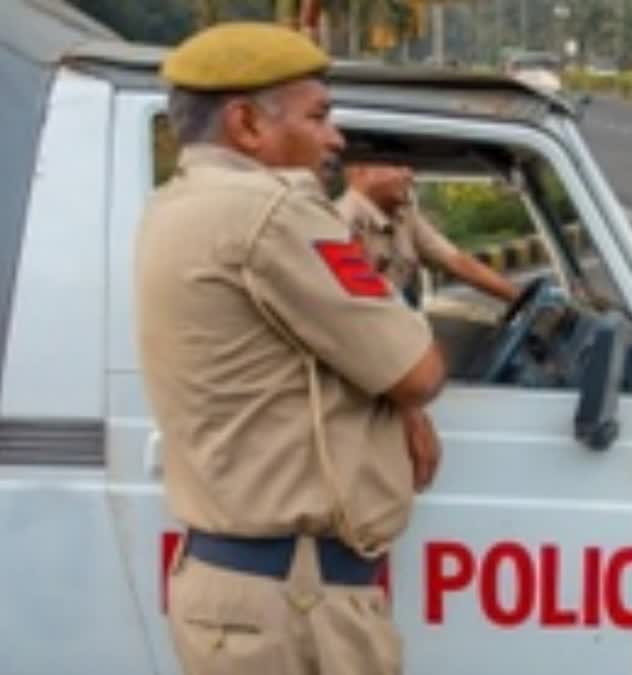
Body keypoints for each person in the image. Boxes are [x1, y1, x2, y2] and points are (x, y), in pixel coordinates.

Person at [136, 22, 446, 674]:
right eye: (319, 115)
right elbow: (416, 370)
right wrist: (410, 399)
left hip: (238, 590)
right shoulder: (273, 213)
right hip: (297, 606)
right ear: (247, 124)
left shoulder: (174, 205)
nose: (335, 137)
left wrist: (404, 410)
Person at [337, 161, 520, 307]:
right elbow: (365, 308)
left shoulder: (404, 215)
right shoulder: (342, 223)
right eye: (397, 166)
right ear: (361, 170)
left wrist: (519, 298)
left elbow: (458, 262)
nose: (409, 175)